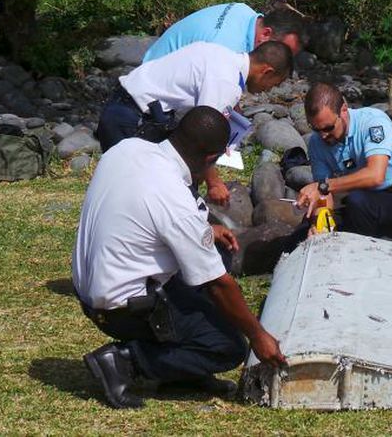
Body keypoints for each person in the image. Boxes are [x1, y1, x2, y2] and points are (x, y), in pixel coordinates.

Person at [74, 106, 286, 409]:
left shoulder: (128, 148)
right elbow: (219, 285)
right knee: (226, 346)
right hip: (121, 307)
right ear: (211, 159)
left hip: (91, 286)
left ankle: (183, 371)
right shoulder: (173, 196)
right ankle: (125, 361)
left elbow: (143, 215)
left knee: (219, 255)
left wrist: (207, 230)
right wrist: (258, 335)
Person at [96, 40, 293, 206]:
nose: (267, 91)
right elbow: (204, 136)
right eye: (273, 84)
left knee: (128, 189)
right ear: (267, 71)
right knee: (136, 196)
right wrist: (214, 183)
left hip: (123, 105)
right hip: (134, 119)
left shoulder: (219, 53)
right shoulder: (226, 82)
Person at [295, 82, 392, 240]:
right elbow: (323, 196)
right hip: (364, 204)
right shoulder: (317, 143)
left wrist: (323, 186)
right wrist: (319, 225)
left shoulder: (372, 122)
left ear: (344, 110)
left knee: (357, 201)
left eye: (328, 128)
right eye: (316, 129)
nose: (323, 135)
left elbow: (375, 176)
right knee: (303, 232)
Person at [143, 3, 305, 62]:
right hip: (153, 92)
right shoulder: (228, 50)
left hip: (156, 58)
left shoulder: (244, 10)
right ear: (265, 34)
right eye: (284, 53)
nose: (284, 63)